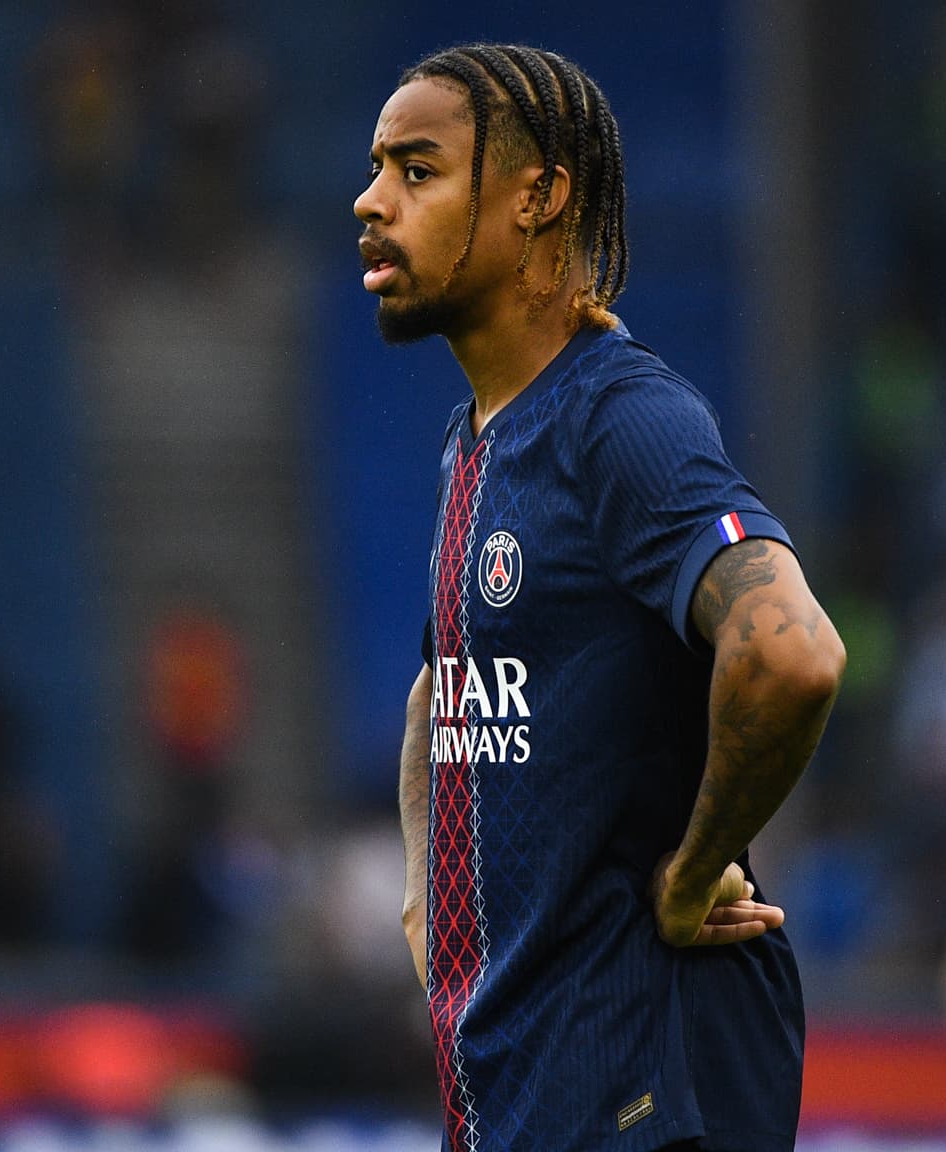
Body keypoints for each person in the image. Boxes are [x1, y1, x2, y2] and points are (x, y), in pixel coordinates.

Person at [356, 44, 847, 1152]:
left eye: (417, 171)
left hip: (641, 1088)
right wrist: (425, 896)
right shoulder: (476, 440)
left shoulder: (620, 419)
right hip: (525, 1088)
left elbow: (789, 651)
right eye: (377, 169)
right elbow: (441, 688)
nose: (371, 201)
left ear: (536, 196)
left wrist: (690, 873)